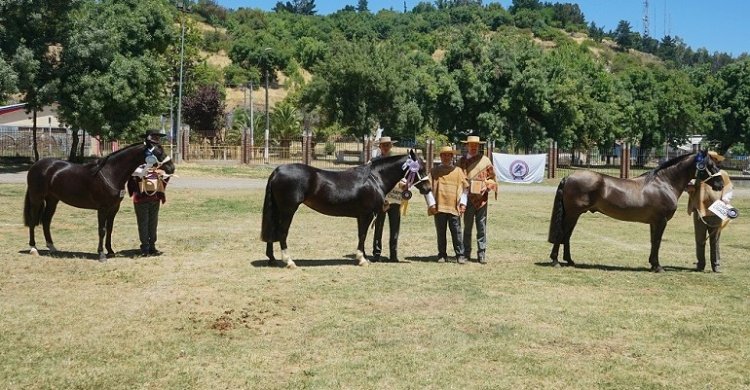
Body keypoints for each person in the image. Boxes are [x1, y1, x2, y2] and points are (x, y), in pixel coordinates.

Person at [686, 151, 735, 273]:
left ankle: (716, 265)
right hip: (700, 210)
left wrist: (725, 199)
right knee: (699, 239)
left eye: (712, 159)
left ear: (716, 160)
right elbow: (689, 185)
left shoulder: (722, 174)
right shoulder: (699, 173)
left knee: (715, 240)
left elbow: (728, 188)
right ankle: (700, 264)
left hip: (716, 211)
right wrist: (689, 187)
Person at [127, 130, 171, 257]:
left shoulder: (159, 155)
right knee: (143, 222)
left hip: (155, 194)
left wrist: (163, 174)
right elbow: (133, 172)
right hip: (141, 195)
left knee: (153, 222)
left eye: (158, 138)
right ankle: (145, 247)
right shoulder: (139, 154)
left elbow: (165, 169)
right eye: (154, 137)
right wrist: (144, 170)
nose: (157, 140)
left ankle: (152, 246)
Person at [458, 135, 497, 264]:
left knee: (481, 227)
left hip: (482, 199)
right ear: (467, 146)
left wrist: (486, 187)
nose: (473, 147)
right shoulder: (461, 161)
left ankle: (481, 254)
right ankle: (466, 253)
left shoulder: (486, 161)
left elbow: (492, 178)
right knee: (467, 227)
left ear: (479, 146)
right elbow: (457, 179)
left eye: (476, 145)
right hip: (467, 198)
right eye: (471, 145)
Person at [428, 145, 469, 264]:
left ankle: (460, 255)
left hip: (454, 207)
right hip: (439, 206)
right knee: (441, 232)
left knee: (456, 232)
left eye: (449, 155)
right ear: (440, 156)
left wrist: (463, 203)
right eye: (444, 155)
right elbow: (428, 189)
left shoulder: (458, 171)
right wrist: (431, 204)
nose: (446, 157)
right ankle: (442, 255)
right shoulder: (434, 171)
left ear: (452, 156)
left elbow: (465, 188)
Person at [370, 136, 404, 262]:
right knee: (378, 226)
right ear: (380, 147)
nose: (386, 147)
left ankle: (393, 254)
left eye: (388, 145)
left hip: (395, 197)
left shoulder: (397, 162)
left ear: (391, 146)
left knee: (395, 226)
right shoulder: (374, 162)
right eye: (383, 145)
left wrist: (405, 184)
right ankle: (377, 253)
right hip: (380, 198)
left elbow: (404, 177)